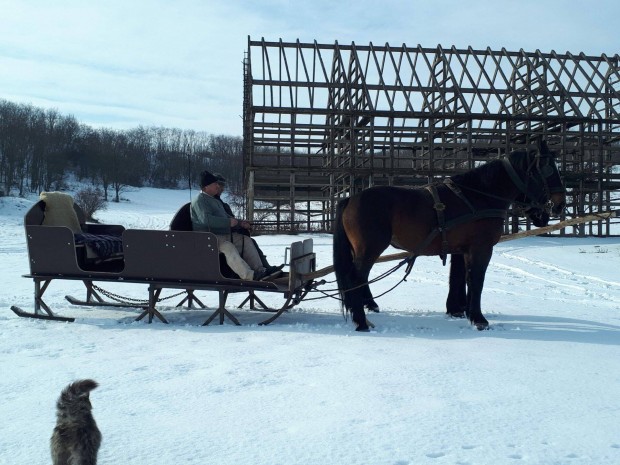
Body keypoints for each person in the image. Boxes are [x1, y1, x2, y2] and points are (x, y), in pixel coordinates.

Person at [190, 170, 281, 281]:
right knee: (228, 247)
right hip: (208, 239)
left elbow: (227, 217)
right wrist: (228, 223)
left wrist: (240, 223)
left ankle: (260, 270)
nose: (218, 186)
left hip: (221, 236)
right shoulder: (200, 200)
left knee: (246, 240)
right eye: (215, 184)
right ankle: (249, 275)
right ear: (206, 187)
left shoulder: (214, 200)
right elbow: (206, 220)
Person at [212, 173, 284, 273]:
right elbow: (223, 223)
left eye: (223, 186)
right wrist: (240, 226)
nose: (222, 189)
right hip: (220, 238)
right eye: (221, 186)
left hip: (228, 235)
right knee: (249, 241)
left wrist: (242, 224)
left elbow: (232, 220)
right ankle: (261, 270)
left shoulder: (221, 204)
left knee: (250, 241)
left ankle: (265, 268)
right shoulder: (212, 204)